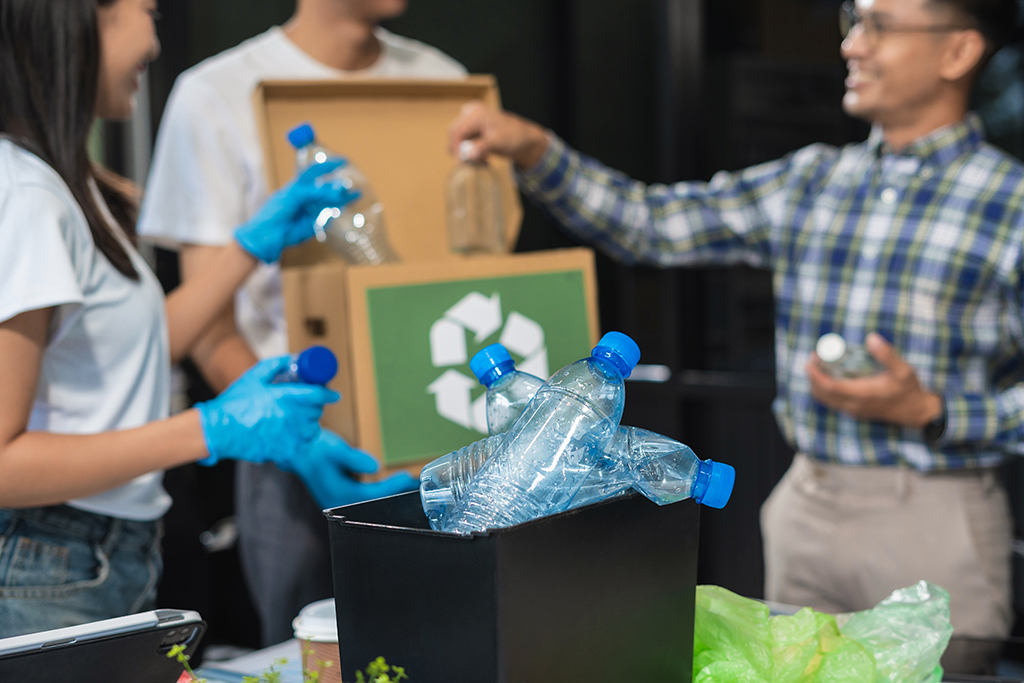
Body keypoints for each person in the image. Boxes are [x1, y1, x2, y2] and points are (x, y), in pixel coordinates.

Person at [449, 0, 1021, 671]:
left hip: (935, 514)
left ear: (958, 52)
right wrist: (534, 149)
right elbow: (651, 223)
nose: (852, 46)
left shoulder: (1010, 202)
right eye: (852, 22)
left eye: (880, 25)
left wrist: (934, 411)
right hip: (806, 500)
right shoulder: (812, 180)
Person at [0, 0, 364, 639]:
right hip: (48, 560)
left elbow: (117, 354)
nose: (153, 43)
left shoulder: (58, 182)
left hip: (97, 552)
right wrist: (208, 430)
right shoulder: (26, 196)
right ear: (79, 21)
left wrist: (250, 248)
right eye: (147, 11)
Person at [138, 0, 466, 645]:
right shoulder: (216, 94)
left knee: (455, 638)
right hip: (295, 442)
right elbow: (207, 322)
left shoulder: (443, 82)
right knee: (317, 649)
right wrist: (299, 443)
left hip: (439, 423)